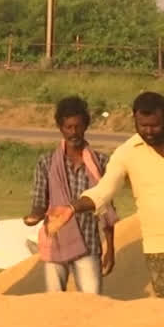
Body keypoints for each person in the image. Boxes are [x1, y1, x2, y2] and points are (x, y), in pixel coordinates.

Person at [48, 91, 164, 306]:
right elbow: (103, 191)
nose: (149, 131)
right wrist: (72, 208)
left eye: (154, 125)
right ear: (134, 119)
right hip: (160, 246)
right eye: (142, 125)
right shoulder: (127, 153)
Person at [22, 96, 118, 294]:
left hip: (89, 245)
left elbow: (107, 209)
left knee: (92, 303)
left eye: (78, 126)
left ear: (86, 125)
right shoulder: (46, 163)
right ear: (60, 128)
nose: (73, 132)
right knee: (55, 303)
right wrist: (34, 217)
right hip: (55, 243)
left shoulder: (101, 162)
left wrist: (110, 248)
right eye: (68, 127)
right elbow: (40, 202)